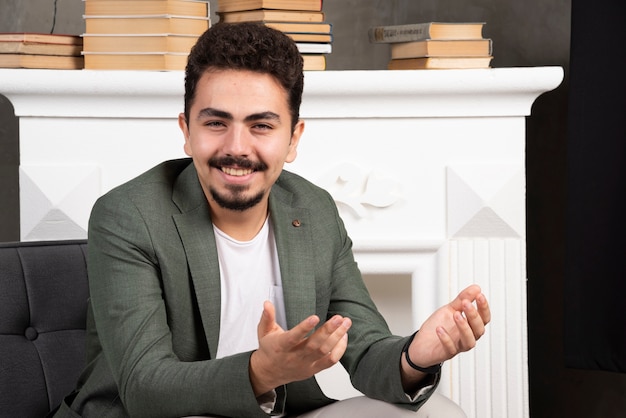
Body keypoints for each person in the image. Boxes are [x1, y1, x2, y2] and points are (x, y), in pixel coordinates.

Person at [53, 22, 490, 418]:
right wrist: (260, 371)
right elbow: (145, 388)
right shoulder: (128, 215)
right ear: (187, 131)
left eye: (261, 125)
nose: (237, 147)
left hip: (284, 412)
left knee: (438, 412)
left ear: (293, 138)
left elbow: (366, 349)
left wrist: (415, 355)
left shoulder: (313, 210)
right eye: (216, 122)